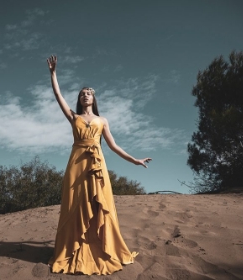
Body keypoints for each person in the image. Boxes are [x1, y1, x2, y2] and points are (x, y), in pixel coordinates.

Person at [47, 55, 152, 275]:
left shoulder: (102, 120)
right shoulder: (73, 116)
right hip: (77, 163)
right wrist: (53, 74)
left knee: (99, 203)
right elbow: (58, 96)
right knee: (75, 204)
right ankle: (73, 248)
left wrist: (135, 160)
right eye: (82, 94)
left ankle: (100, 247)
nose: (86, 95)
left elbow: (113, 146)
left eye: (89, 93)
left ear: (94, 99)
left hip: (97, 163)